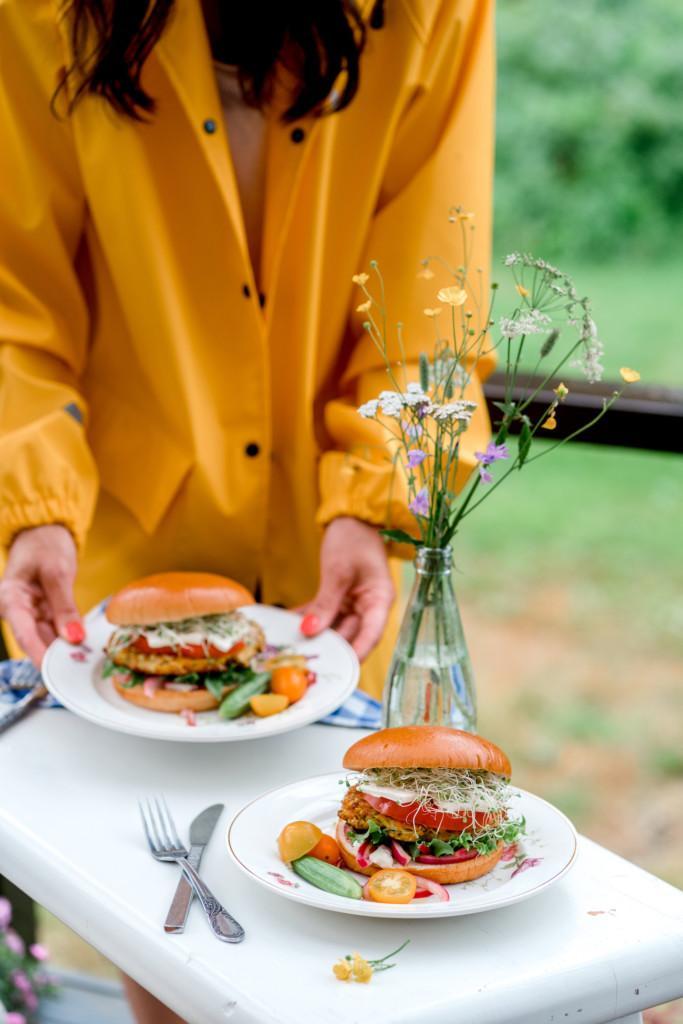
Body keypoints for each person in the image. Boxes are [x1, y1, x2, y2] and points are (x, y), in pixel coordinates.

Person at [0, 1, 494, 1020]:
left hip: (335, 574)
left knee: (352, 934)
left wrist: (372, 502)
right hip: (115, 557)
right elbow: (11, 297)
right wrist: (31, 500)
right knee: (176, 941)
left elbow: (430, 293)